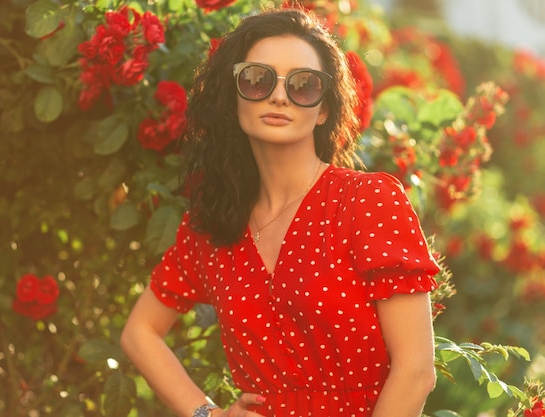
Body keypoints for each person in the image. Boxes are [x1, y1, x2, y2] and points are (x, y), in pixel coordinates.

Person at [121, 6, 440, 417]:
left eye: (303, 86)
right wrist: (207, 414)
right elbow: (140, 333)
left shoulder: (366, 201)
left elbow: (416, 371)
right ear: (231, 94)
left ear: (323, 109)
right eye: (257, 79)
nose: (278, 96)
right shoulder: (214, 221)